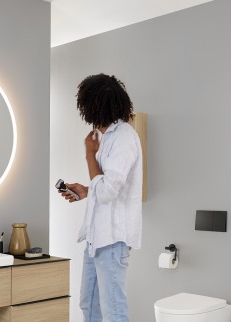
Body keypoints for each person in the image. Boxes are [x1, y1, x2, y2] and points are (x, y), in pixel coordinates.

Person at [58, 74, 143, 322]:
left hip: (112, 240)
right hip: (96, 239)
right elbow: (105, 185)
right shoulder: (108, 138)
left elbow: (107, 191)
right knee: (89, 305)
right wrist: (86, 190)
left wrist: (89, 155)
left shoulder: (125, 137)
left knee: (113, 311)